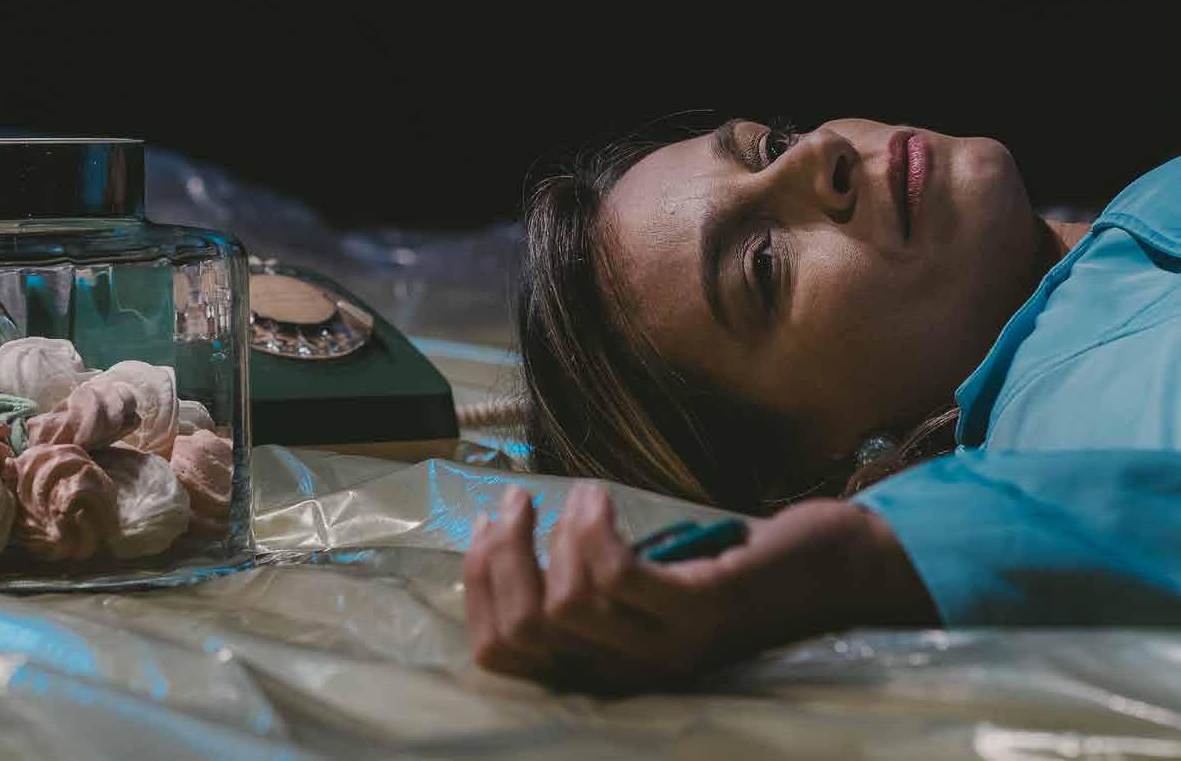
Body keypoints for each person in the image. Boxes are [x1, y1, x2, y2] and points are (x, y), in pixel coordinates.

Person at [463, 117, 1181, 691]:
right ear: (824, 473)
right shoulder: (1063, 433)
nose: (821, 155)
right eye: (764, 264)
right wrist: (847, 563)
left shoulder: (1133, 219)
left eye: (772, 146)